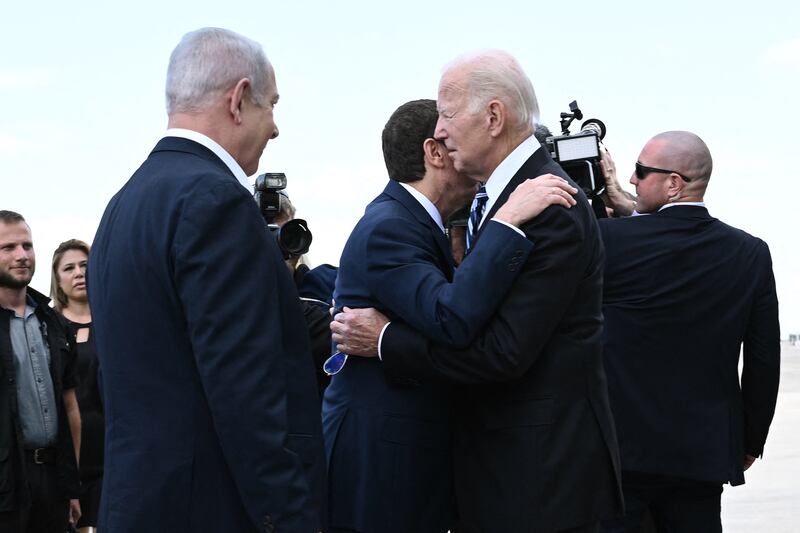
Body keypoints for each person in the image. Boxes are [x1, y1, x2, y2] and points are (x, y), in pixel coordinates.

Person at [332, 51, 624, 533]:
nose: (440, 131)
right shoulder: (507, 202)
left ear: (493, 117)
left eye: (447, 114)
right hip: (507, 473)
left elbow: (501, 353)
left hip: (537, 481)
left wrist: (386, 341)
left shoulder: (549, 203)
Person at [87, 28, 324, 533]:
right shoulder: (215, 202)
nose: (276, 127)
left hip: (140, 506)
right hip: (212, 509)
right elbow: (247, 397)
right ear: (238, 100)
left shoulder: (123, 205)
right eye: (272, 106)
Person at [596, 131, 781, 532]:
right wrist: (750, 441)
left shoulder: (610, 241)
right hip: (702, 454)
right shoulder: (750, 253)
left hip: (620, 453)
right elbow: (764, 358)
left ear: (673, 183)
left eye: (641, 172)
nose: (630, 179)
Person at [0, 210, 81, 532]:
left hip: (53, 481)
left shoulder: (54, 323)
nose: (22, 256)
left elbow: (71, 406)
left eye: (27, 246)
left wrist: (72, 485)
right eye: (8, 248)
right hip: (6, 486)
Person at [50, 239, 102, 533]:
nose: (79, 273)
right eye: (69, 268)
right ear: (58, 279)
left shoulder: (113, 322)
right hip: (68, 459)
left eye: (84, 265)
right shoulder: (48, 327)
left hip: (111, 453)